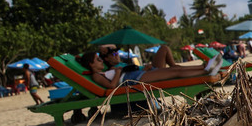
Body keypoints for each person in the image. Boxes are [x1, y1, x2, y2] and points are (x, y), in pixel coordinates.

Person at [78, 50, 224, 89]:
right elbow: (111, 86)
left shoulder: (102, 72)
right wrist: (117, 73)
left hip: (135, 74)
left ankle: (205, 68)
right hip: (132, 80)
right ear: (91, 64)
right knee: (173, 73)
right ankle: (205, 71)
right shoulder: (96, 75)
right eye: (97, 60)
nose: (100, 61)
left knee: (173, 71)